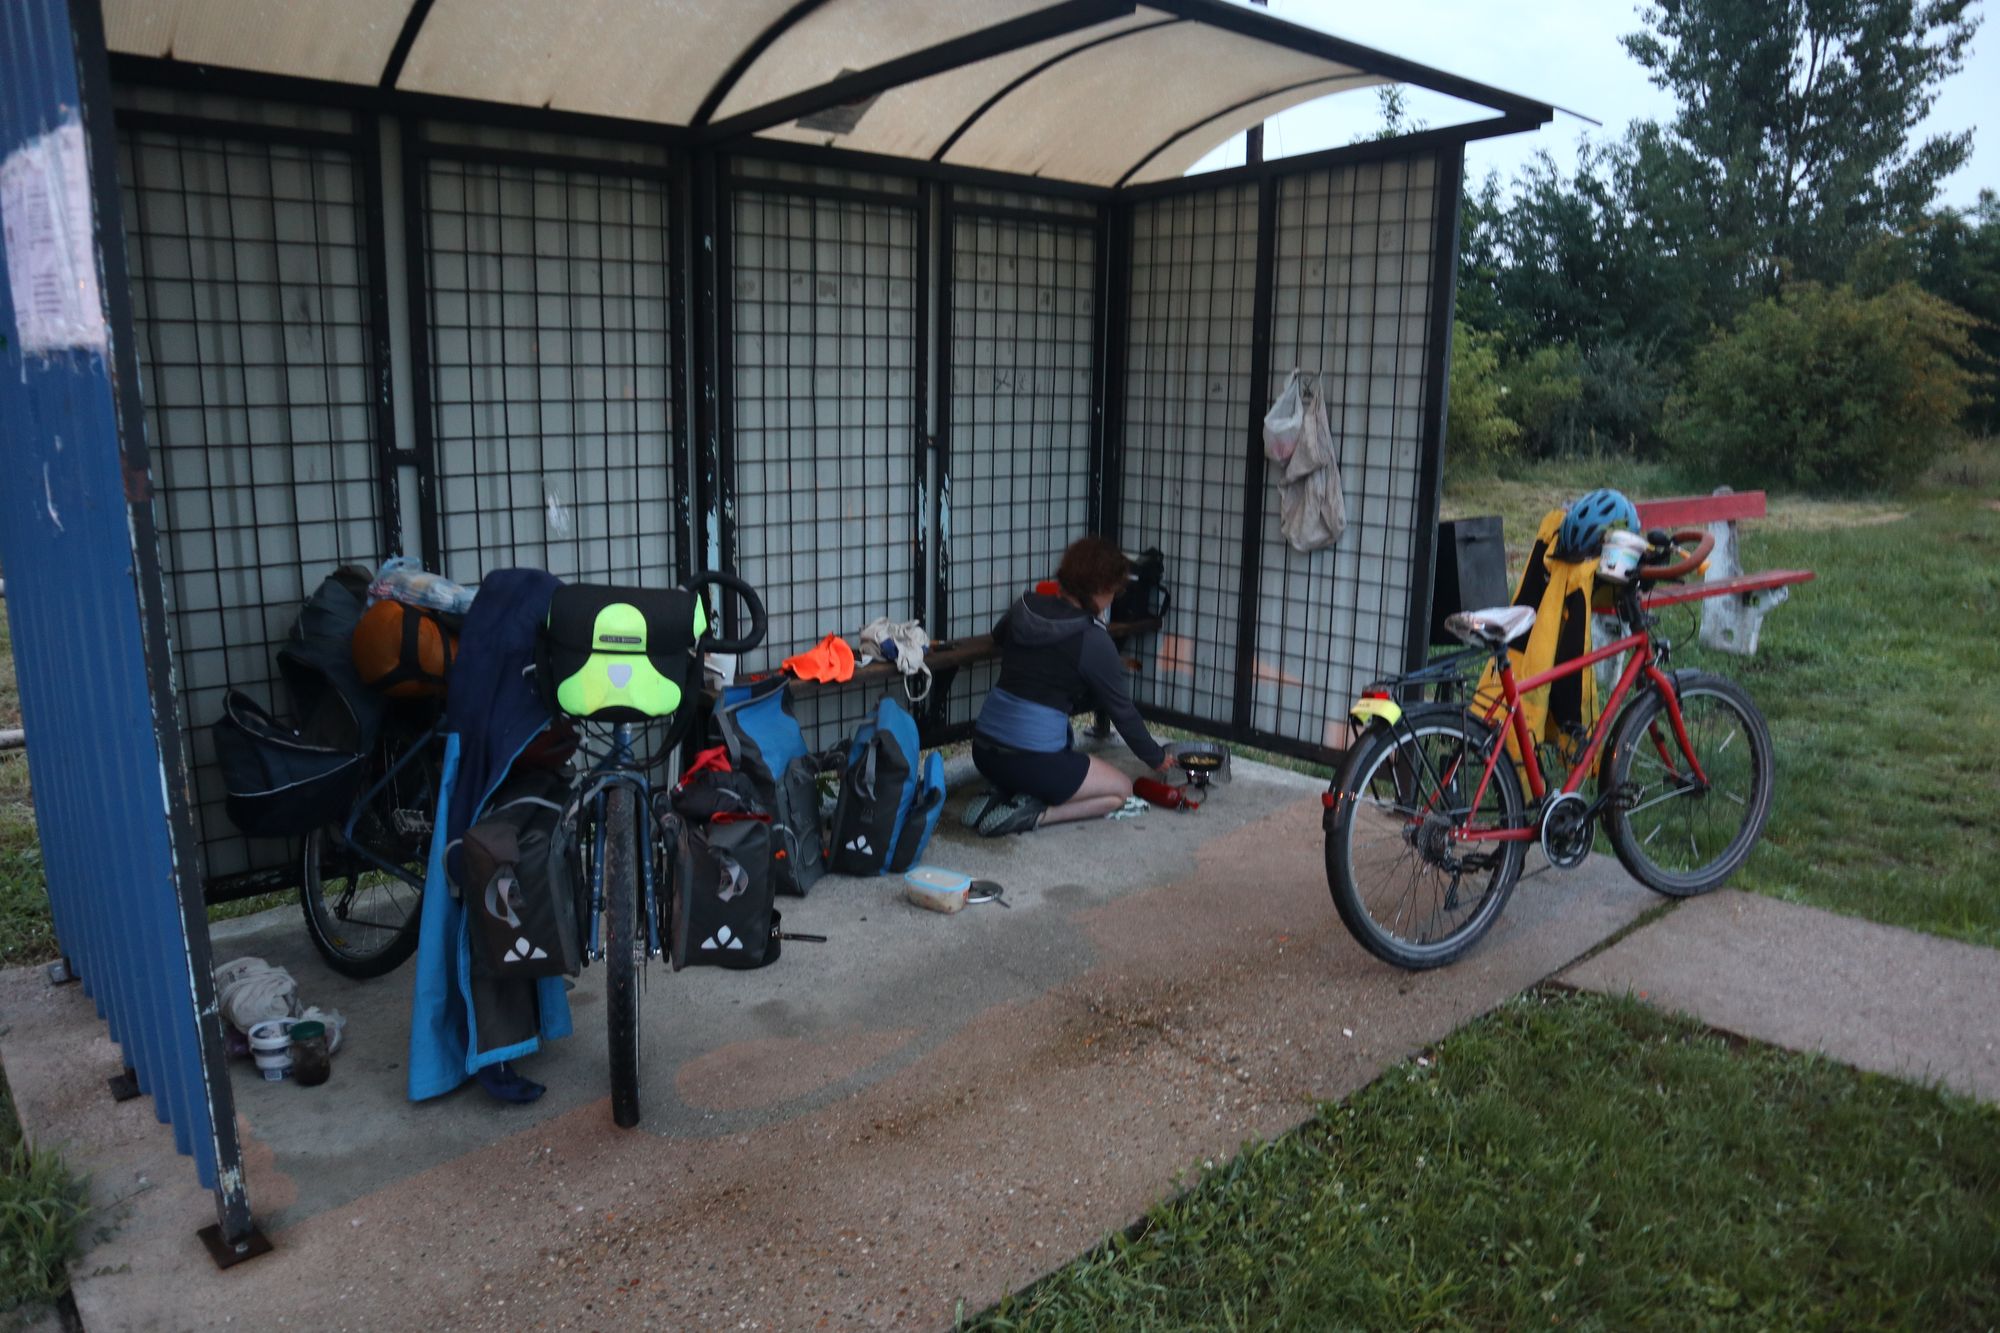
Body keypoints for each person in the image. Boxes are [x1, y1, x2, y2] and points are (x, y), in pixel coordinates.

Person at [966, 535, 1172, 836]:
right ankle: (1036, 813)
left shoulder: (1025, 605)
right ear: (1102, 589)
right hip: (1035, 762)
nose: (1114, 598)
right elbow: (1122, 711)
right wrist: (1156, 757)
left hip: (984, 751)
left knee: (1044, 758)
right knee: (1121, 791)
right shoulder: (1093, 639)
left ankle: (1005, 792)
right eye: (1114, 591)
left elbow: (1000, 635)